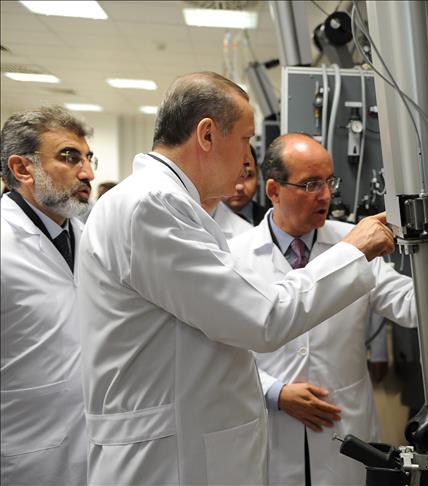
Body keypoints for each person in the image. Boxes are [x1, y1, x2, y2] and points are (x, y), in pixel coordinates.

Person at [76, 71, 395, 486]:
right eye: (245, 141)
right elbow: (262, 318)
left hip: (185, 446)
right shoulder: (150, 205)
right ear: (207, 135)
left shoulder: (166, 203)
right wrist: (353, 251)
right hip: (167, 462)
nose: (248, 161)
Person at [228, 133, 428, 486]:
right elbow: (225, 346)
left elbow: (410, 304)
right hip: (271, 423)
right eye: (310, 184)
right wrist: (275, 392)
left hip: (341, 424)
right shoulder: (237, 256)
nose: (325, 195)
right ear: (274, 190)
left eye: (329, 181)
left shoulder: (354, 241)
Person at [0, 106, 96, 485]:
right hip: (23, 458)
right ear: (23, 168)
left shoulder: (88, 239)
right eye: (70, 157)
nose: (87, 173)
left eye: (88, 158)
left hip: (93, 450)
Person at [223, 145, 267, 225]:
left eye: (247, 176)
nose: (239, 187)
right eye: (229, 176)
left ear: (257, 174)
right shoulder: (202, 222)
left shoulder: (272, 221)